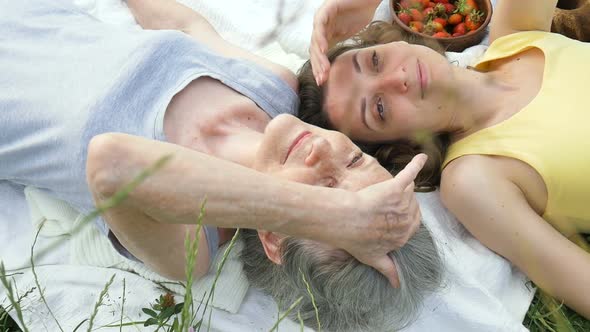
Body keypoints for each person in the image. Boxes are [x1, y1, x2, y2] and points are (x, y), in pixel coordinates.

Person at [301, 0, 590, 319]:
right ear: (399, 143)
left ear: (392, 41)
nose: (396, 80)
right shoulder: (473, 178)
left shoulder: (514, 33)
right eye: (379, 108)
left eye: (374, 61)